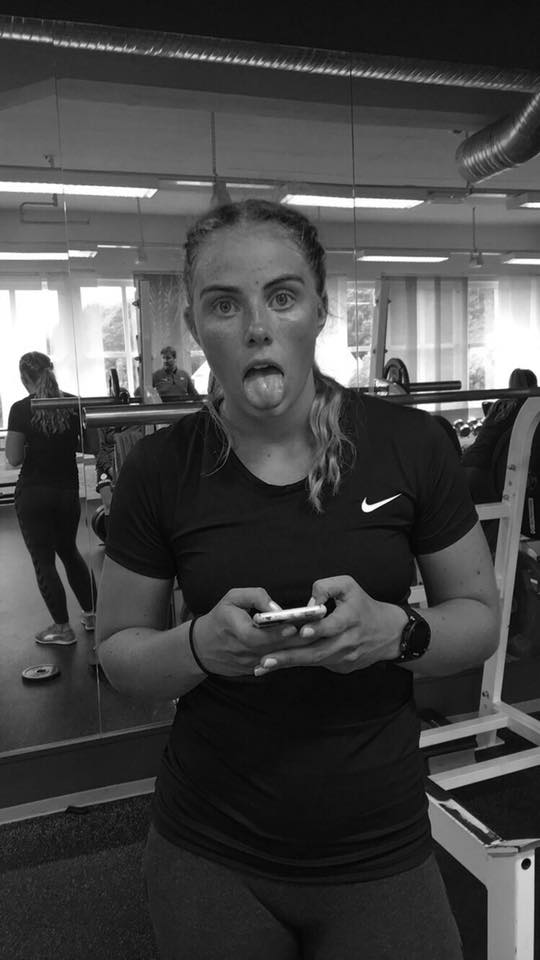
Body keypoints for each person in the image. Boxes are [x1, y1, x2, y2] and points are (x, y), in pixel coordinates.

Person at [96, 199, 499, 960]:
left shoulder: (413, 444)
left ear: (320, 309)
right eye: (225, 304)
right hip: (210, 850)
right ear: (195, 326)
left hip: (380, 844)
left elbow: (478, 617)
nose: (257, 327)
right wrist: (199, 647)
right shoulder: (160, 468)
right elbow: (119, 653)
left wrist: (395, 633)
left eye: (282, 296)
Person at [6, 351, 95, 644]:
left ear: (24, 378)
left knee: (43, 561)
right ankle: (93, 615)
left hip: (34, 494)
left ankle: (62, 628)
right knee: (69, 552)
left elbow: (14, 458)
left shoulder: (21, 409)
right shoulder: (72, 403)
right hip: (67, 492)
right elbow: (90, 445)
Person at [462, 367, 537, 502]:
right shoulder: (527, 411)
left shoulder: (499, 404)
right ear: (534, 387)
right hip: (486, 475)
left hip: (466, 466)